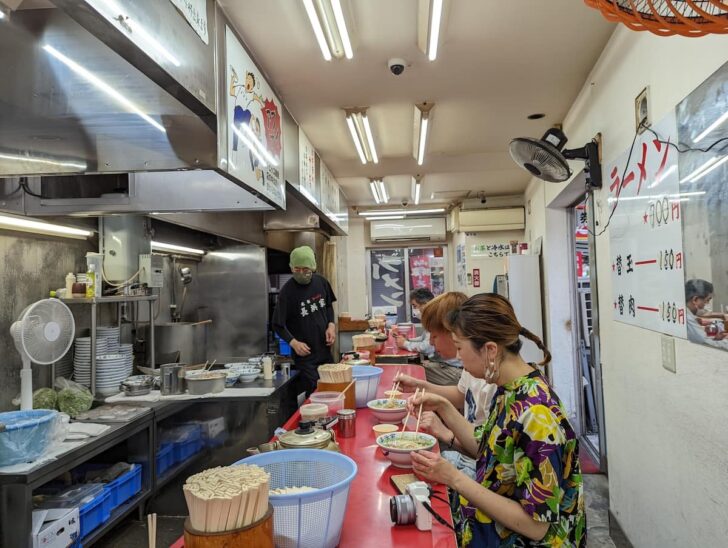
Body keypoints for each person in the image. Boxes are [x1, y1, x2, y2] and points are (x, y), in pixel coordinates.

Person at [409, 293, 585, 547]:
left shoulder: (537, 415)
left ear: (490, 349)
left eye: (460, 347)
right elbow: (488, 448)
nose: (458, 357)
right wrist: (444, 406)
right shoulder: (511, 389)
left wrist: (454, 478)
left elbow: (535, 525)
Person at [394, 291, 496, 479]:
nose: (431, 342)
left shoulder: (498, 386)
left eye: (434, 335)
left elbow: (487, 455)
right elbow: (461, 394)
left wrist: (445, 432)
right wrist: (419, 386)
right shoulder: (475, 365)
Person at [272, 246, 336, 397]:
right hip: (305, 357)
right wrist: (293, 342)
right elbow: (277, 324)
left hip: (325, 352)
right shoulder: (287, 292)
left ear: (313, 267)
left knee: (332, 389)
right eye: (297, 269)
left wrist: (331, 325)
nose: (301, 273)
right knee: (315, 393)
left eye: (305, 269)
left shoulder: (321, 282)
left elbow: (328, 306)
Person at [685, 279, 728, 349]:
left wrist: (715, 339)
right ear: (695, 300)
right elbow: (705, 343)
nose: (707, 304)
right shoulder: (688, 318)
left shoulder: (686, 313)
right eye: (707, 300)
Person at [395, 288, 435, 357]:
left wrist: (405, 344)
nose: (414, 310)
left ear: (425, 304)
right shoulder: (431, 319)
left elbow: (427, 347)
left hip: (445, 364)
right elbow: (423, 338)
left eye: (415, 306)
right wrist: (408, 340)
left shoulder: (436, 321)